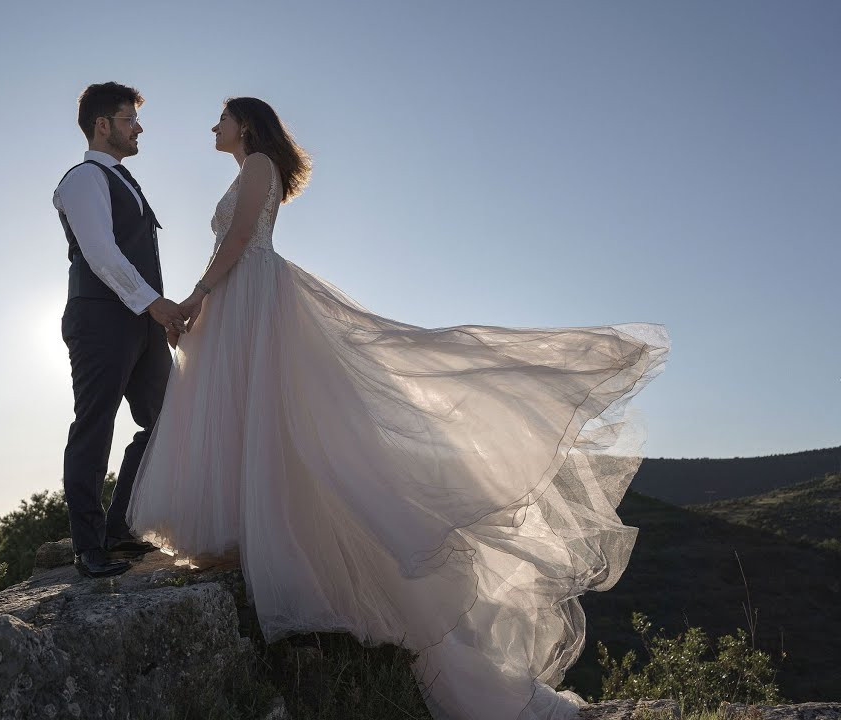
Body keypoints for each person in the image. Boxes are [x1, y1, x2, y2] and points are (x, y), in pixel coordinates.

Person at [127, 97, 669, 720]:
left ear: (245, 124)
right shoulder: (248, 169)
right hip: (244, 301)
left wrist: (195, 296)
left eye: (221, 119)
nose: (213, 128)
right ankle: (238, 533)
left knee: (267, 415)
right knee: (256, 418)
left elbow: (245, 237)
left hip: (250, 299)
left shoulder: (255, 170)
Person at [54, 82, 186, 578]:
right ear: (102, 125)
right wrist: (156, 305)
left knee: (167, 421)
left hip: (143, 320)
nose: (139, 128)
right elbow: (101, 252)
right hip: (99, 318)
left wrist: (157, 315)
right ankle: (88, 546)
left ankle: (118, 526)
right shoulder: (83, 178)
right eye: (129, 119)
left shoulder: (124, 179)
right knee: (95, 423)